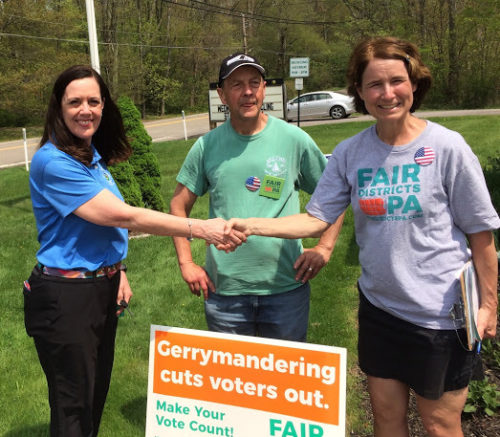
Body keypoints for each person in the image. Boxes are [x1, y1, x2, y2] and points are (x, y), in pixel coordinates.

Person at [226, 37, 499, 437]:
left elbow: (481, 235)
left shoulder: (447, 147)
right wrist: (252, 225)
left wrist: (489, 305)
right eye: (374, 84)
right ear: (358, 91)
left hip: (441, 317)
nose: (386, 93)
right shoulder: (352, 153)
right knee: (387, 423)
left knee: (440, 425)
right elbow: (316, 219)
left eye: (396, 81)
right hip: (380, 312)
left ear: (414, 84)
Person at [24, 65, 243, 437]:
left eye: (94, 101)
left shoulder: (90, 157)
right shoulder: (53, 161)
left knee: (94, 394)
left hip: (99, 286)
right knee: (73, 405)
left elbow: (101, 228)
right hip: (65, 297)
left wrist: (118, 268)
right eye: (74, 102)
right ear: (58, 108)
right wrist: (199, 227)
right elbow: (121, 215)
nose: (85, 110)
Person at [170, 53, 344, 341]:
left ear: (264, 89)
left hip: (286, 288)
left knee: (284, 380)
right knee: (233, 384)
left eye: (254, 83)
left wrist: (324, 248)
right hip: (225, 292)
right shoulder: (206, 146)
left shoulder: (293, 139)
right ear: (222, 94)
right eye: (237, 84)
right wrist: (186, 262)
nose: (248, 92)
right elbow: (179, 204)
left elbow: (334, 195)